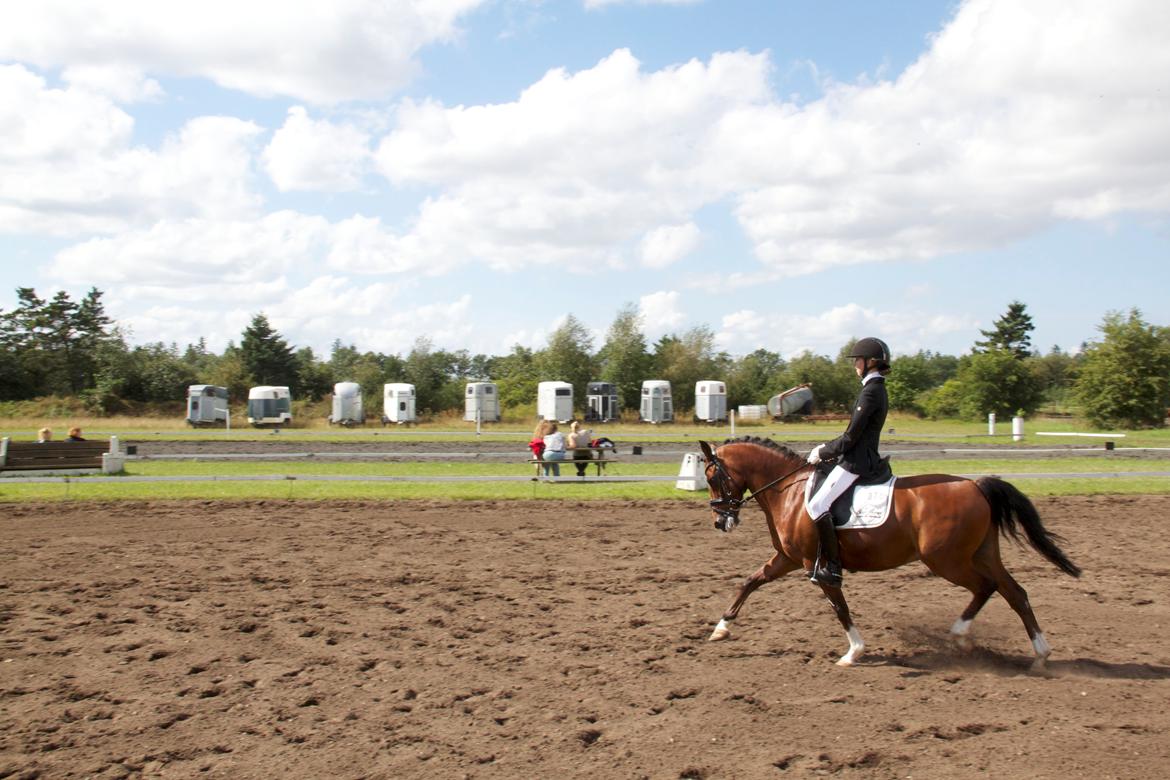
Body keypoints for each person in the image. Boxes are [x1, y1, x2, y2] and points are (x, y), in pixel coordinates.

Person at [805, 337, 891, 587]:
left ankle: (832, 568)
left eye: (857, 360)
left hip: (857, 462)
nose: (855, 365)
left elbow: (852, 436)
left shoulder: (872, 391)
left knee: (817, 505)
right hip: (855, 456)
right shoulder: (873, 388)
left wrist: (823, 450)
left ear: (870, 362)